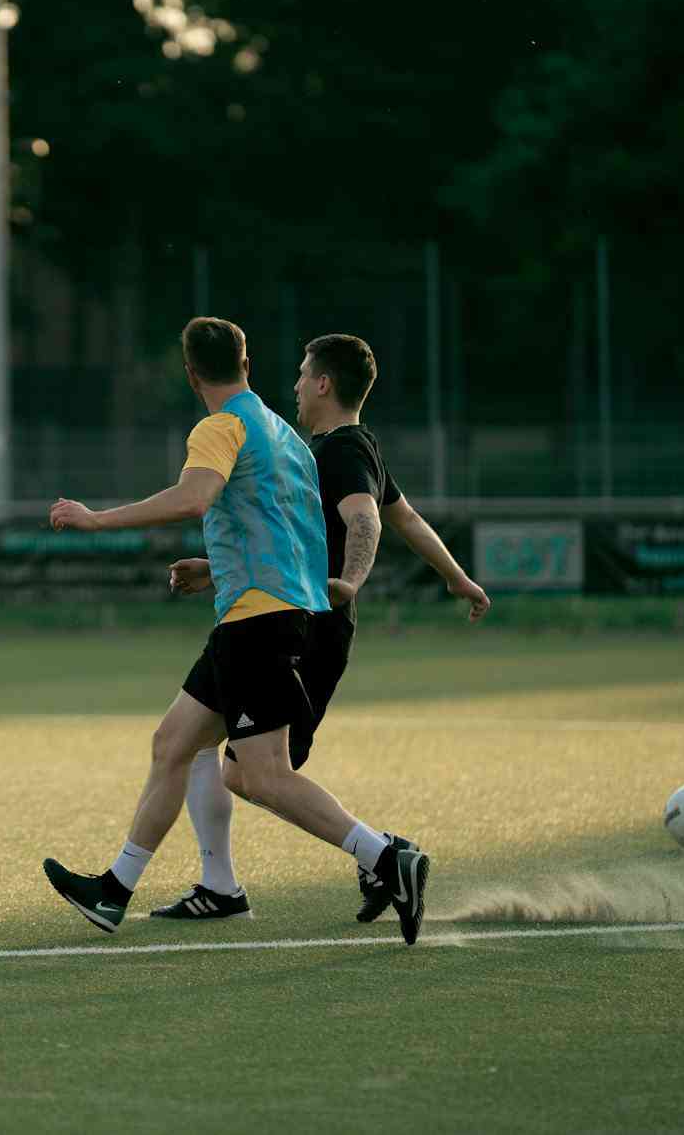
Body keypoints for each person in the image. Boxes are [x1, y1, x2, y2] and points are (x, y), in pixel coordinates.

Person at [41, 318, 432, 945]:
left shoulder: (221, 427)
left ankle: (386, 857)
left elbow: (195, 498)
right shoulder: (283, 433)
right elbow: (293, 530)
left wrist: (97, 520)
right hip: (265, 616)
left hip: (258, 623)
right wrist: (220, 569)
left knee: (262, 776)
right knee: (173, 744)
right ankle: (115, 889)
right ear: (246, 364)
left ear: (190, 374)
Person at [154, 334, 491, 925]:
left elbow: (366, 520)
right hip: (288, 616)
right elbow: (406, 518)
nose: (295, 386)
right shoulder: (348, 448)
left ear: (324, 383)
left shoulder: (339, 450)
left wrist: (352, 582)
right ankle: (230, 884)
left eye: (303, 374)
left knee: (252, 773)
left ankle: (382, 856)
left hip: (304, 627)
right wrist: (457, 577)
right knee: (206, 750)